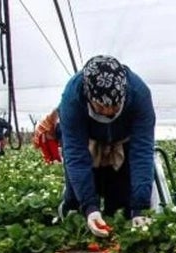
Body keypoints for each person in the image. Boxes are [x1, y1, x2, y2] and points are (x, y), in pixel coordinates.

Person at [57, 55, 156, 237]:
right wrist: (90, 207)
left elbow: (142, 151)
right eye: (101, 107)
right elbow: (76, 156)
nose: (109, 112)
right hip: (89, 143)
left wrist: (140, 207)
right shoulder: (72, 99)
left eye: (115, 105)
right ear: (88, 97)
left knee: (121, 202)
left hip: (122, 144)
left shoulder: (139, 94)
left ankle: (119, 229)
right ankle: (74, 216)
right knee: (77, 201)